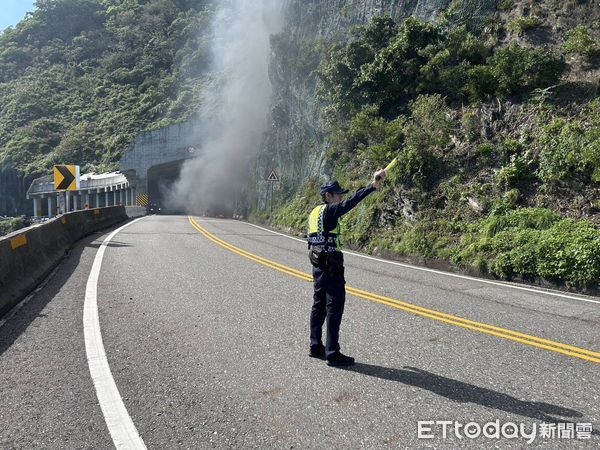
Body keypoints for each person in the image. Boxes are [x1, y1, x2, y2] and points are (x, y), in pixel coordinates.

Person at [307, 169, 386, 366]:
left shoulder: (314, 212)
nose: (340, 197)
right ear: (328, 195)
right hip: (332, 266)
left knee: (319, 305)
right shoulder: (331, 210)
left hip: (317, 265)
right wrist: (373, 186)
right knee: (334, 307)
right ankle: (333, 353)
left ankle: (315, 346)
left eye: (341, 193)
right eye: (337, 194)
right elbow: (351, 202)